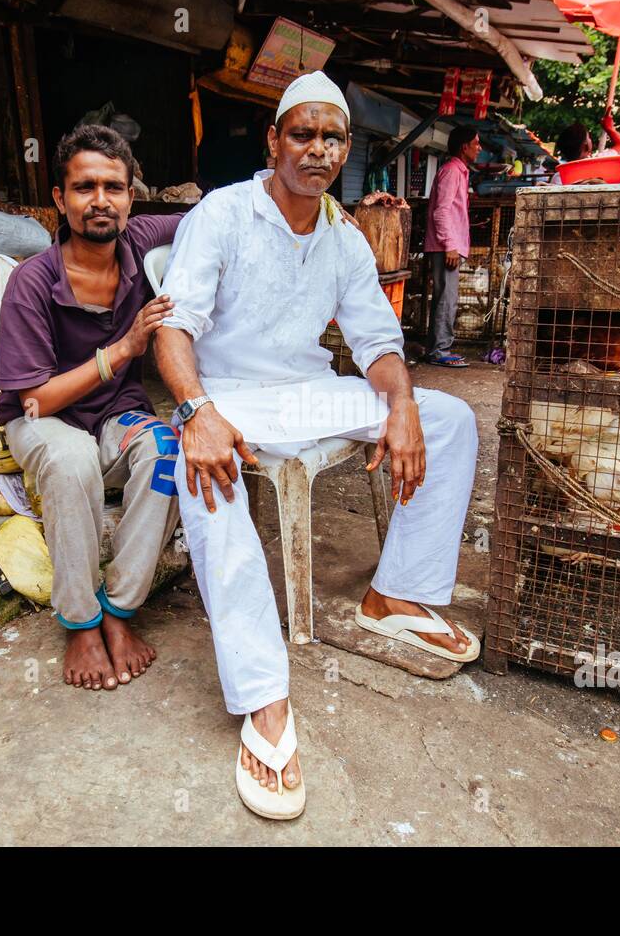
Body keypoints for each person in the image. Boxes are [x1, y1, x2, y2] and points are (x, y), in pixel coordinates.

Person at [155, 71, 480, 820]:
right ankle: (264, 698)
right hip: (227, 393)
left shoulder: (343, 235)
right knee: (207, 479)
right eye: (302, 133)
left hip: (308, 392)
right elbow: (175, 328)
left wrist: (399, 401)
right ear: (274, 141)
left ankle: (394, 593)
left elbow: (374, 339)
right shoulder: (223, 213)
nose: (318, 149)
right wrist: (196, 409)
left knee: (451, 419)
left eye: (333, 137)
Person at [0, 124, 182, 691]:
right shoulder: (32, 282)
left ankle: (121, 611)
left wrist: (318, 204)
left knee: (168, 448)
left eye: (114, 187)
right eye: (84, 187)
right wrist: (121, 350)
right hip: (42, 422)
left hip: (114, 421)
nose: (100, 200)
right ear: (60, 198)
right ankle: (80, 619)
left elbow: (223, 211)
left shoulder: (141, 241)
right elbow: (34, 397)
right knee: (73, 458)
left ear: (130, 196)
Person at [422, 124, 481, 367]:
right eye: (476, 143)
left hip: (448, 245)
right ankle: (439, 351)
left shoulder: (459, 171)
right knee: (446, 298)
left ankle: (438, 347)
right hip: (445, 246)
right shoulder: (451, 171)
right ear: (464, 146)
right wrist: (450, 245)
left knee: (446, 297)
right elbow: (441, 212)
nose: (479, 148)